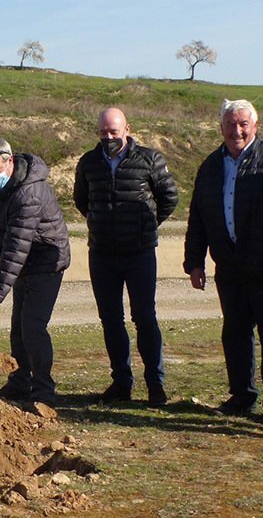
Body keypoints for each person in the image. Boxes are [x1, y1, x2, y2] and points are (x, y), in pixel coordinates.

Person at [184, 99, 263, 429]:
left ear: (255, 126)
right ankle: (241, 396)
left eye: (243, 124)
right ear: (220, 127)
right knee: (235, 333)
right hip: (230, 267)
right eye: (231, 124)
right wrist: (194, 261)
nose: (237, 130)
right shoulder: (209, 167)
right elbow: (198, 217)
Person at [73, 108, 178, 406]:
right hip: (103, 254)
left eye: (114, 132)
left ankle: (155, 384)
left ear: (127, 129)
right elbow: (82, 200)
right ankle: (121, 382)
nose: (108, 137)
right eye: (103, 132)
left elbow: (169, 197)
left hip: (140, 253)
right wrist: (102, 224)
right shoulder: (88, 163)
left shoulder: (150, 159)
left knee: (144, 317)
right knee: (110, 320)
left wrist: (144, 225)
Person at [0, 138, 70, 407]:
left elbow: (17, 246)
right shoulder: (3, 187)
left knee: (33, 327)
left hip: (46, 262)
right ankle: (20, 382)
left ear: (10, 162)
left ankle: (43, 391)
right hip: (25, 262)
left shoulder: (29, 192)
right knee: (18, 328)